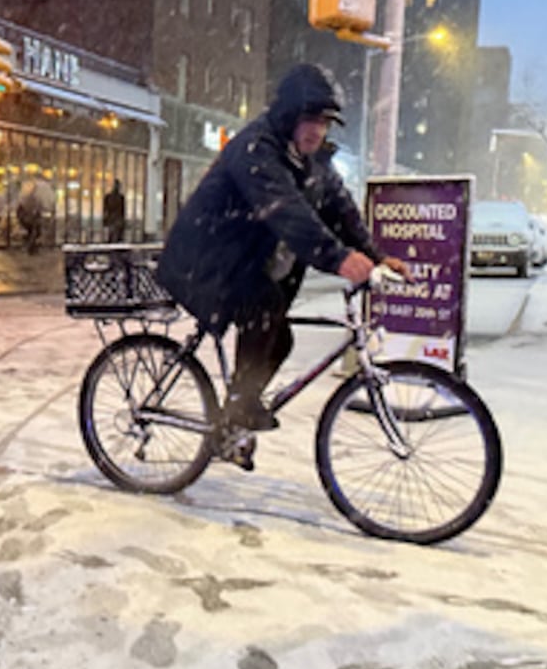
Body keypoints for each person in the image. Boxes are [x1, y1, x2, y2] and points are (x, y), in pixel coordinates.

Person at [156, 63, 408, 434]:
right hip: (205, 260)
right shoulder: (255, 149)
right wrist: (338, 258)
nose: (318, 130)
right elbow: (286, 211)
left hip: (244, 263)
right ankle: (239, 408)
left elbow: (341, 211)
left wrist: (375, 256)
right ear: (289, 115)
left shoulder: (312, 160)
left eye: (325, 122)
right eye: (310, 119)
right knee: (266, 311)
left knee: (278, 336)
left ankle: (235, 415)